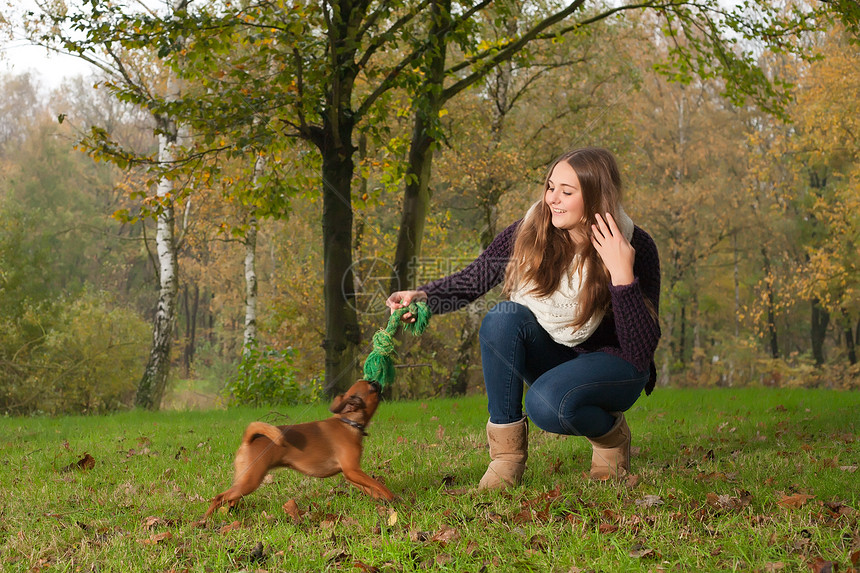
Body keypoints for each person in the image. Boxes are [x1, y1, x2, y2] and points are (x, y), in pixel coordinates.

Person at [386, 147, 661, 488]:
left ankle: (610, 437)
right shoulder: (532, 230)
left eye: (566, 191)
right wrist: (425, 297)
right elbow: (475, 278)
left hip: (616, 366)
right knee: (503, 317)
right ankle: (506, 458)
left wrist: (622, 276)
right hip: (561, 356)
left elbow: (639, 352)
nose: (552, 199)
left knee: (547, 405)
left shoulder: (635, 246)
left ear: (594, 196)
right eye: (550, 187)